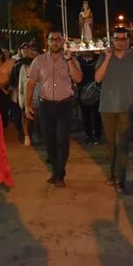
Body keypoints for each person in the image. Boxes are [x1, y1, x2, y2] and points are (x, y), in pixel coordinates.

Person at [25, 31, 82, 188]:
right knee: (49, 140)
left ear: (63, 41)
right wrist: (27, 105)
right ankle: (56, 171)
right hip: (46, 105)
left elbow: (78, 78)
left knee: (62, 140)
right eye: (52, 39)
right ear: (47, 42)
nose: (55, 42)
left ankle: (59, 174)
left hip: (65, 105)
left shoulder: (70, 59)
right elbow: (30, 83)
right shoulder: (39, 61)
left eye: (58, 39)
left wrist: (69, 59)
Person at [95, 26, 133, 193]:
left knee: (122, 144)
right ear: (112, 40)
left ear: (128, 40)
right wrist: (108, 59)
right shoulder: (104, 56)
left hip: (126, 106)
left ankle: (120, 179)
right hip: (107, 107)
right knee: (111, 145)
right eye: (117, 39)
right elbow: (97, 78)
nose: (120, 42)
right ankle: (111, 174)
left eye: (123, 39)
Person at [77, 51, 102, 144]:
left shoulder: (98, 58)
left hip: (96, 90)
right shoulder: (78, 60)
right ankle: (89, 135)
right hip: (82, 90)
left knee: (97, 114)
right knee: (85, 114)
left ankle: (98, 135)